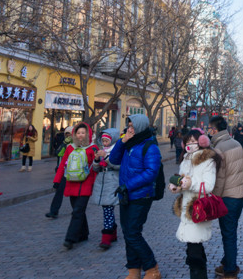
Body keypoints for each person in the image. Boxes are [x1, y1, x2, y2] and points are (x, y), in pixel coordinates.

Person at [108, 114, 162, 279]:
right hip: (126, 195)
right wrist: (121, 142)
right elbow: (113, 159)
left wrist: (128, 185)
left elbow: (151, 172)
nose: (129, 129)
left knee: (132, 233)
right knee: (127, 232)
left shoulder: (150, 146)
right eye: (128, 126)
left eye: (132, 126)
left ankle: (152, 268)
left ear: (139, 127)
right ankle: (133, 270)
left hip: (141, 196)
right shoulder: (129, 143)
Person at [170, 129, 221, 279]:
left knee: (194, 252)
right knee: (193, 248)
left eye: (194, 141)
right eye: (188, 141)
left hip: (198, 208)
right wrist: (177, 186)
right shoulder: (185, 158)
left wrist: (190, 184)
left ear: (201, 142)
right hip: (186, 207)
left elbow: (209, 186)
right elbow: (182, 180)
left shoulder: (207, 160)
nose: (191, 144)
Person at [208, 116, 243, 279]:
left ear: (215, 130)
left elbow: (221, 178)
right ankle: (226, 262)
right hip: (240, 195)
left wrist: (214, 199)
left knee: (228, 233)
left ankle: (230, 270)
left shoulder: (218, 148)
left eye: (209, 128)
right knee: (231, 230)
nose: (208, 131)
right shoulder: (236, 143)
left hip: (228, 196)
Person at [53, 122, 98, 250]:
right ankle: (84, 233)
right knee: (78, 210)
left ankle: (70, 238)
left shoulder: (92, 148)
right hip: (71, 183)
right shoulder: (70, 148)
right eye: (78, 133)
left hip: (86, 183)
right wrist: (57, 180)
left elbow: (96, 168)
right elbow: (63, 166)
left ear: (87, 134)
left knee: (77, 211)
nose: (80, 136)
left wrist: (95, 183)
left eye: (83, 133)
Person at [91, 128, 120, 250]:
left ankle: (106, 237)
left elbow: (118, 165)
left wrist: (107, 157)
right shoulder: (101, 150)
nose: (104, 143)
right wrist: (97, 160)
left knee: (108, 208)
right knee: (106, 208)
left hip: (112, 182)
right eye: (102, 140)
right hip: (101, 182)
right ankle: (112, 232)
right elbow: (95, 169)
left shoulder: (116, 150)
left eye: (106, 140)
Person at [47, 126, 73, 219]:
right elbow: (59, 153)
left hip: (76, 173)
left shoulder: (79, 145)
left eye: (70, 134)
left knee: (74, 194)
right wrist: (64, 144)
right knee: (59, 192)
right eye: (67, 134)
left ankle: (77, 210)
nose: (68, 136)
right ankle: (53, 211)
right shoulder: (65, 144)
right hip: (65, 172)